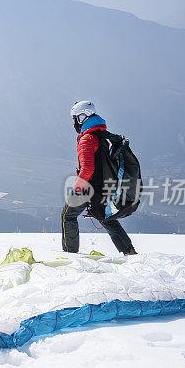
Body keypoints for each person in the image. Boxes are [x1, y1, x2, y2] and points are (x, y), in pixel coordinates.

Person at [62, 101, 137, 255]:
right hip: (106, 188)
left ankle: (70, 254)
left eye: (75, 118)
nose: (74, 122)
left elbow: (87, 168)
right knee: (105, 217)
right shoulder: (105, 135)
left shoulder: (87, 139)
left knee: (67, 215)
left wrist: (77, 189)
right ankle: (129, 251)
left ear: (83, 117)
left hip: (89, 188)